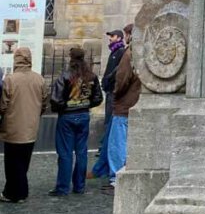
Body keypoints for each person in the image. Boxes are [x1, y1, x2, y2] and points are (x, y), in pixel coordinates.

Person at [49, 47, 102, 197]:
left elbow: (56, 99)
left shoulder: (65, 76)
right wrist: (85, 105)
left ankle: (63, 187)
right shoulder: (91, 76)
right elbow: (98, 97)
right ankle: (79, 186)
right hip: (83, 115)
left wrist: (63, 107)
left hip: (67, 116)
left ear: (71, 59)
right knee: (81, 152)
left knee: (65, 153)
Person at [0, 47, 48, 203]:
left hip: (13, 127)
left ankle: (14, 193)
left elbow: (3, 105)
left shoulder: (10, 79)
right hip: (31, 127)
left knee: (12, 163)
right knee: (24, 161)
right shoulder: (39, 79)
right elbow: (44, 103)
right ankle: (20, 191)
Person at [88, 29, 126, 181]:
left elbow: (118, 74)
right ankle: (100, 168)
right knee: (109, 129)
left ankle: (111, 173)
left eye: (113, 36)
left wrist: (109, 82)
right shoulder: (114, 51)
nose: (110, 38)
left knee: (113, 132)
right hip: (111, 93)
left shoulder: (121, 52)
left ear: (121, 37)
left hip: (115, 96)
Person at [105, 43, 141, 193]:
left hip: (124, 106)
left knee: (117, 144)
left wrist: (115, 94)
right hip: (135, 104)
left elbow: (121, 79)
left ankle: (116, 178)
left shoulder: (130, 53)